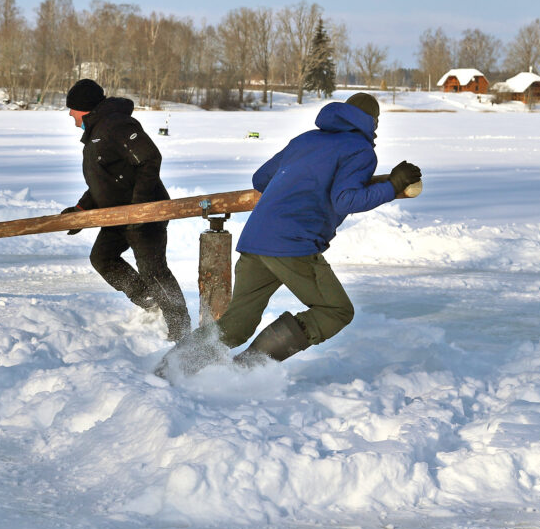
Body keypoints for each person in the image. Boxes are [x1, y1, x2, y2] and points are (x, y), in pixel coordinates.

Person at [156, 92, 421, 378]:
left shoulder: (306, 139)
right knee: (336, 310)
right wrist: (392, 186)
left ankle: (169, 370)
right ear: (373, 123)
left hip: (256, 238)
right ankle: (245, 371)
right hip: (293, 243)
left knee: (237, 324)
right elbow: (346, 199)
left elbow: (260, 179)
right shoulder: (360, 150)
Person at [62, 78, 190, 341]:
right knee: (103, 258)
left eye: (72, 108)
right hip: (119, 215)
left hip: (146, 213)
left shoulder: (117, 124)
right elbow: (105, 183)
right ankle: (151, 302)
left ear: (83, 108)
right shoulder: (97, 133)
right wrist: (81, 209)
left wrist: (140, 208)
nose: (70, 114)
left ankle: (181, 328)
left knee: (154, 270)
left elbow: (150, 159)